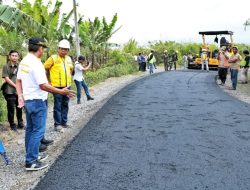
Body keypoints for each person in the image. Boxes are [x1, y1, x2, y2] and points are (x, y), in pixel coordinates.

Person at [16, 37, 74, 171]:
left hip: (28, 100)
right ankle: (31, 162)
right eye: (43, 48)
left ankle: (32, 155)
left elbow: (18, 81)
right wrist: (61, 92)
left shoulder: (24, 61)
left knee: (30, 130)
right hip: (37, 101)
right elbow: (43, 85)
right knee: (38, 131)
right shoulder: (36, 63)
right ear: (40, 49)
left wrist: (20, 95)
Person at [44, 39, 73, 132]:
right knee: (58, 105)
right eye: (62, 49)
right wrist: (48, 82)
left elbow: (71, 70)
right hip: (56, 86)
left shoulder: (69, 59)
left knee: (65, 104)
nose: (64, 51)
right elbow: (44, 69)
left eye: (66, 49)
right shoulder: (53, 58)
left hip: (67, 86)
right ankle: (58, 124)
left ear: (68, 50)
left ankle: (64, 122)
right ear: (59, 49)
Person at [1, 50, 24, 131]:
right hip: (9, 91)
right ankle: (12, 125)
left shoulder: (20, 66)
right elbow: (6, 79)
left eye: (16, 56)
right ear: (10, 56)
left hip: (18, 91)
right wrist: (16, 86)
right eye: (13, 55)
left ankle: (20, 123)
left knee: (19, 107)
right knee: (11, 109)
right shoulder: (6, 66)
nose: (14, 57)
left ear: (18, 57)